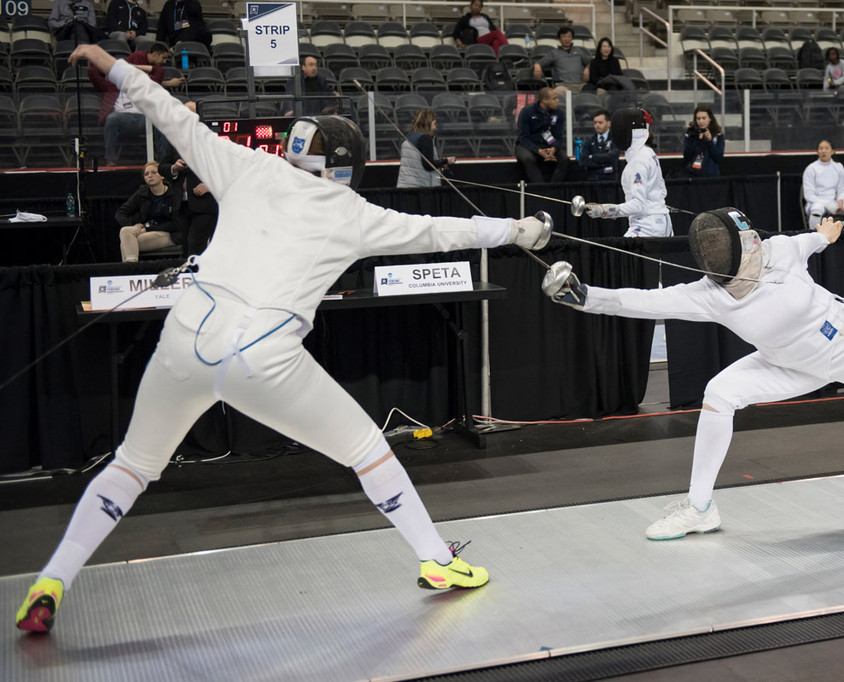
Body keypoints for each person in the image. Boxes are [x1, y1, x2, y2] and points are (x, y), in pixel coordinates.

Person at [15, 42, 552, 634]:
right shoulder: (355, 213)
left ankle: (52, 581)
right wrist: (523, 230)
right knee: (367, 451)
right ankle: (435, 561)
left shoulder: (247, 166)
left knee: (132, 467)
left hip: (185, 337)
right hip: (264, 358)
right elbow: (445, 232)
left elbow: (167, 112)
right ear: (348, 165)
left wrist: (109, 62)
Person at [541, 208, 844, 540]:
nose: (758, 239)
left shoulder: (780, 249)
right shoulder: (709, 295)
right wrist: (583, 297)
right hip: (787, 363)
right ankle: (700, 507)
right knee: (719, 392)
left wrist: (826, 232)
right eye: (748, 238)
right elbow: (638, 302)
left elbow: (811, 240)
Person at [89, 42, 182, 166]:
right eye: (163, 58)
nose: (165, 61)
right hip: (123, 117)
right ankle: (110, 159)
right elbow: (93, 71)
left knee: (162, 120)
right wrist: (116, 66)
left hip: (145, 117)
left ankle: (162, 161)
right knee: (112, 119)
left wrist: (133, 67)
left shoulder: (146, 83)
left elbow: (158, 71)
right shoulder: (115, 83)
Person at [584, 108, 671, 238]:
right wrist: (656, 207)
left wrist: (605, 210)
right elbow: (662, 191)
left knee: (621, 256)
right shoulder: (649, 153)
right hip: (662, 223)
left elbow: (638, 205)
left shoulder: (638, 161)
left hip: (647, 227)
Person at [115, 160, 183, 261]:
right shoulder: (142, 193)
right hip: (145, 230)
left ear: (162, 176)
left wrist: (148, 229)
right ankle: (132, 267)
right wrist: (133, 226)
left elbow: (175, 224)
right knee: (125, 231)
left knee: (128, 243)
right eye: (146, 174)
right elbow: (120, 213)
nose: (149, 176)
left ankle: (130, 270)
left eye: (154, 173)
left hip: (170, 233)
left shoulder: (173, 194)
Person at [160, 142, 218, 255]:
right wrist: (174, 168)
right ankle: (190, 271)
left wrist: (210, 186)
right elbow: (161, 168)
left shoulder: (208, 141)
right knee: (186, 246)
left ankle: (198, 271)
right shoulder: (174, 143)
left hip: (206, 205)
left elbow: (224, 169)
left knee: (195, 243)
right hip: (183, 205)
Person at [515, 87, 569, 184]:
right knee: (528, 158)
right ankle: (540, 187)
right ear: (544, 100)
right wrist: (538, 150)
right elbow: (523, 138)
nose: (557, 101)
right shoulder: (527, 112)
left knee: (564, 159)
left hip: (548, 145)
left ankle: (554, 187)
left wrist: (553, 149)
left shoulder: (559, 113)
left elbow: (559, 137)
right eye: (554, 98)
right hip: (527, 145)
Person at [803, 140, 844, 228]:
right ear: (817, 152)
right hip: (815, 203)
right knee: (817, 209)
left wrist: (840, 201)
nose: (823, 151)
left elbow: (842, 189)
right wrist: (827, 204)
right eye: (821, 149)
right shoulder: (811, 168)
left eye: (826, 148)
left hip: (834, 203)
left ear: (832, 151)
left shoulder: (838, 167)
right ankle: (814, 235)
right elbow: (809, 195)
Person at [396, 108, 455, 188]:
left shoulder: (408, 137)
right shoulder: (426, 139)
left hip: (404, 186)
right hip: (420, 188)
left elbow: (420, 161)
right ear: (427, 123)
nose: (435, 127)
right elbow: (428, 165)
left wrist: (439, 163)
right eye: (434, 123)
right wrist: (446, 161)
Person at [532, 27, 590, 94]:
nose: (567, 39)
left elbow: (591, 61)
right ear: (559, 39)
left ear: (572, 38)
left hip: (580, 85)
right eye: (564, 37)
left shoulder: (579, 51)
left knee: (594, 92)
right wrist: (537, 65)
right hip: (563, 86)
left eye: (569, 36)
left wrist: (587, 68)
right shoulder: (554, 53)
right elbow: (541, 62)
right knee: (556, 93)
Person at [681, 105, 725, 178]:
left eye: (704, 118)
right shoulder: (690, 134)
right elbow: (686, 156)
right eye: (698, 118)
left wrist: (710, 141)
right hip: (692, 175)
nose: (701, 121)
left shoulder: (718, 134)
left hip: (711, 176)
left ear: (710, 118)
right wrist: (696, 139)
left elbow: (718, 157)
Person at [578, 109, 619, 181]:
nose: (597, 125)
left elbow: (613, 157)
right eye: (595, 123)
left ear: (608, 123)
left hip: (610, 180)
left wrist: (592, 157)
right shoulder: (589, 140)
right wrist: (603, 165)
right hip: (592, 179)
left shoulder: (615, 139)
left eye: (600, 122)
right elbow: (583, 160)